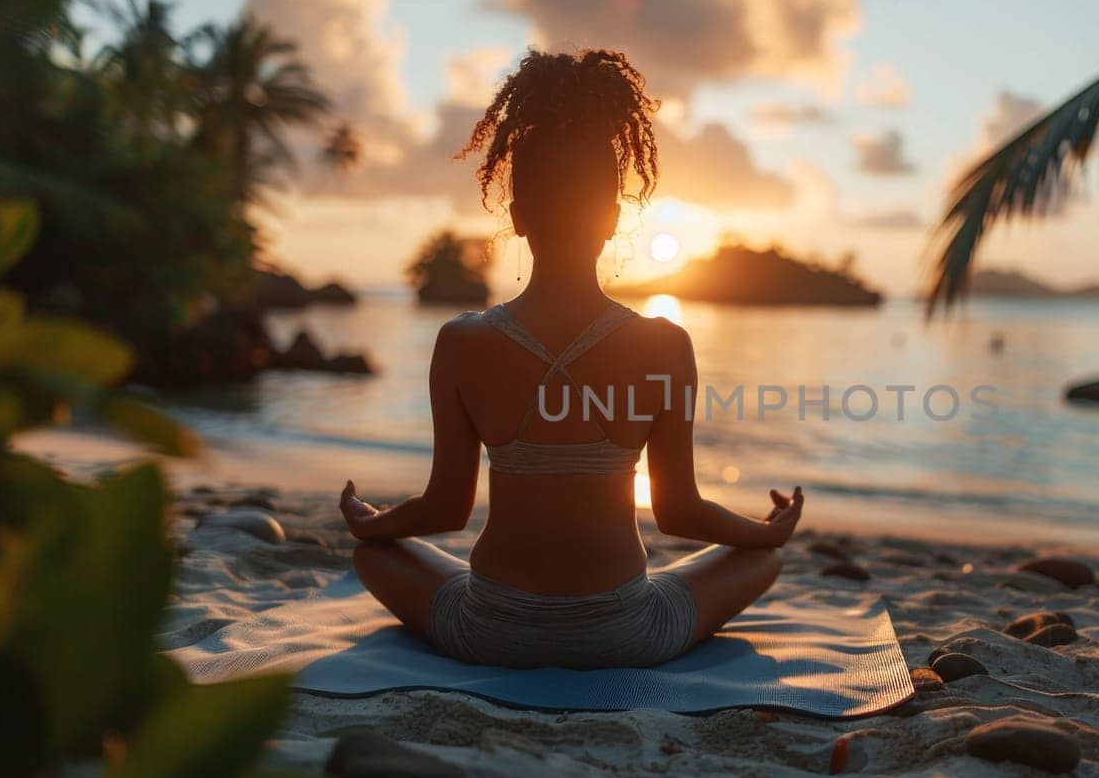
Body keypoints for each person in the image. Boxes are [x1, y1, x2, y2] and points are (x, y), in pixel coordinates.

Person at [338, 48, 805, 669]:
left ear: (518, 216)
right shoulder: (666, 343)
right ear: (611, 219)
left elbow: (446, 509)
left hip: (489, 630)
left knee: (372, 556)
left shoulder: (461, 341)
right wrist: (764, 531)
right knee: (762, 559)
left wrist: (374, 525)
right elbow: (679, 513)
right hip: (625, 633)